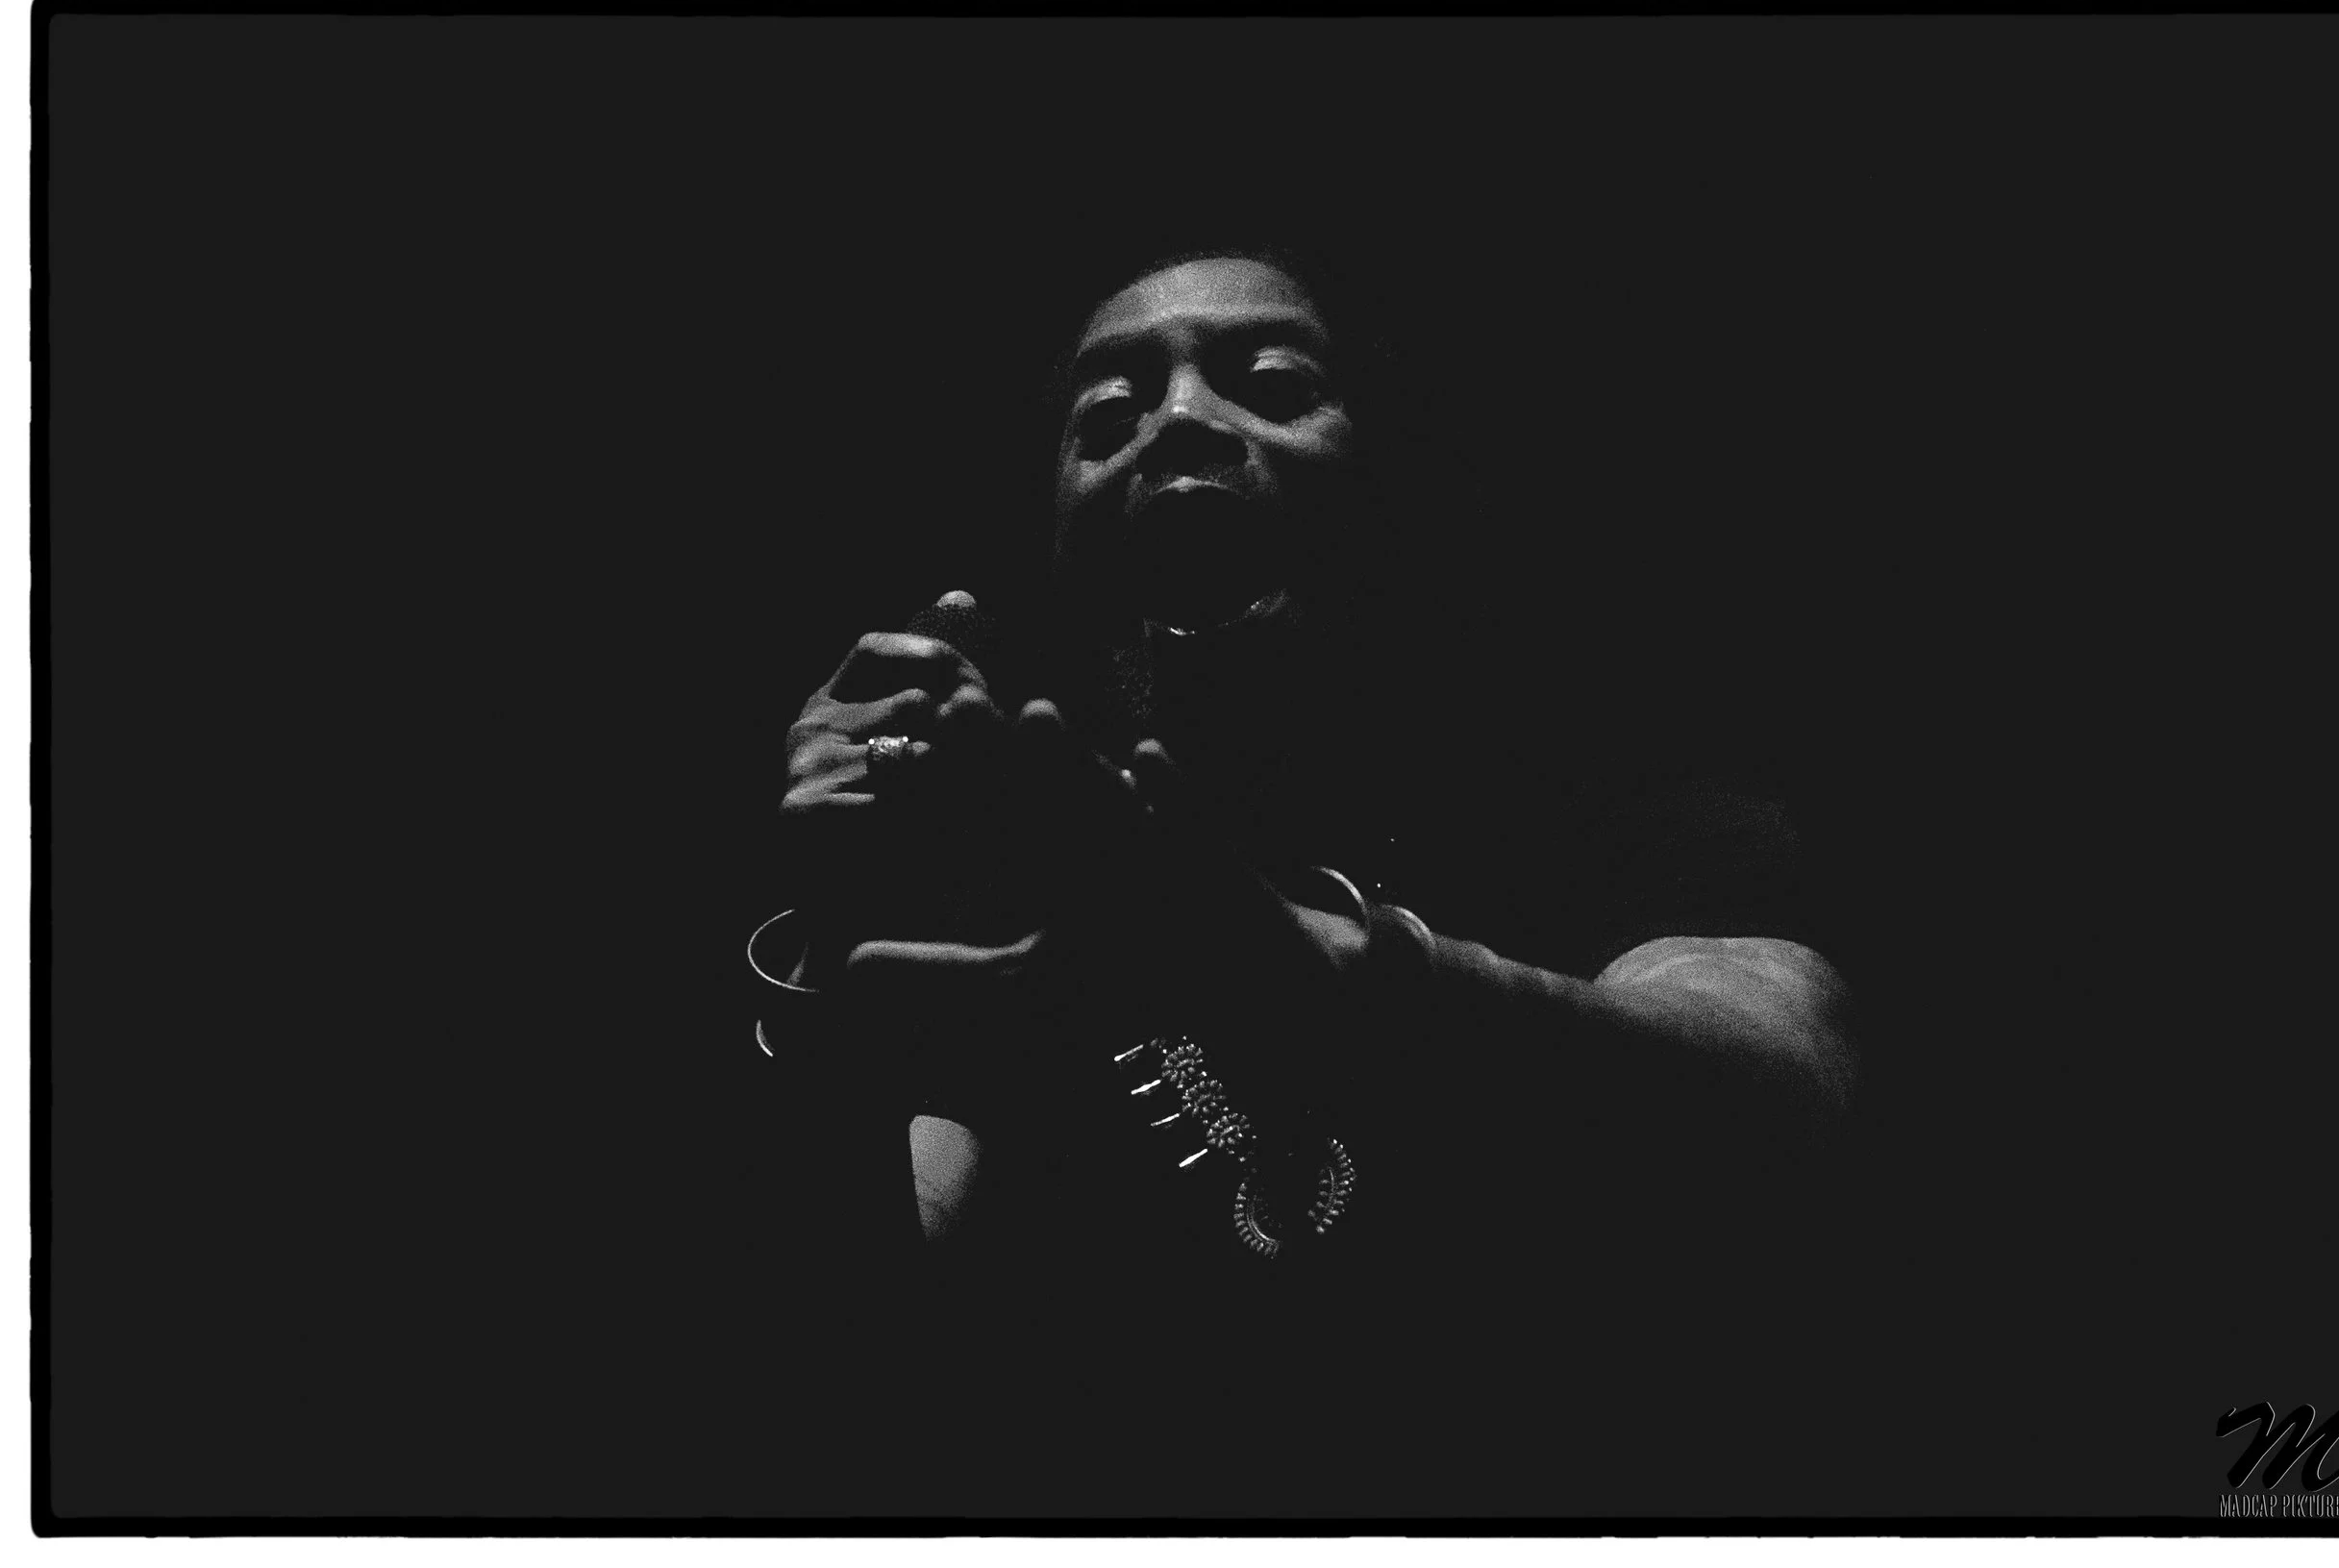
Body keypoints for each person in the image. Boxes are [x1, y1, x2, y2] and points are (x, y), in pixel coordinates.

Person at [759, 248, 1858, 1511]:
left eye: (1273, 382)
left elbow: (1786, 1080)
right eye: (1105, 417)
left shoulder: (1586, 772)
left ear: (1394, 485)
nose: (1176, 422)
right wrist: (843, 942)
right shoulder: (1035, 864)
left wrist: (1346, 983)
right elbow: (880, 1350)